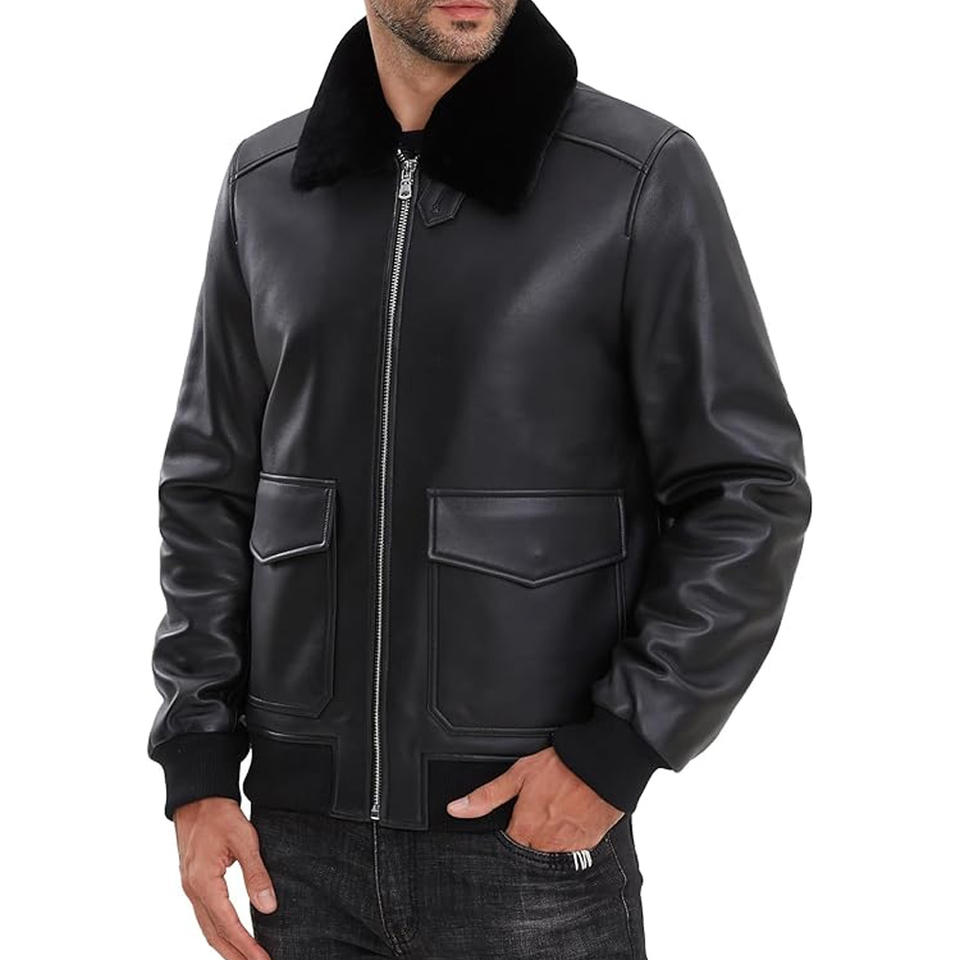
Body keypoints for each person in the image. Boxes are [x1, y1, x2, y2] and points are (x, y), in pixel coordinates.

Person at [148, 0, 812, 957]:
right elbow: (210, 489)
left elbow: (747, 489)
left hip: (525, 839)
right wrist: (199, 763)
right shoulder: (268, 185)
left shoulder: (635, 176)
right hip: (297, 849)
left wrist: (621, 746)